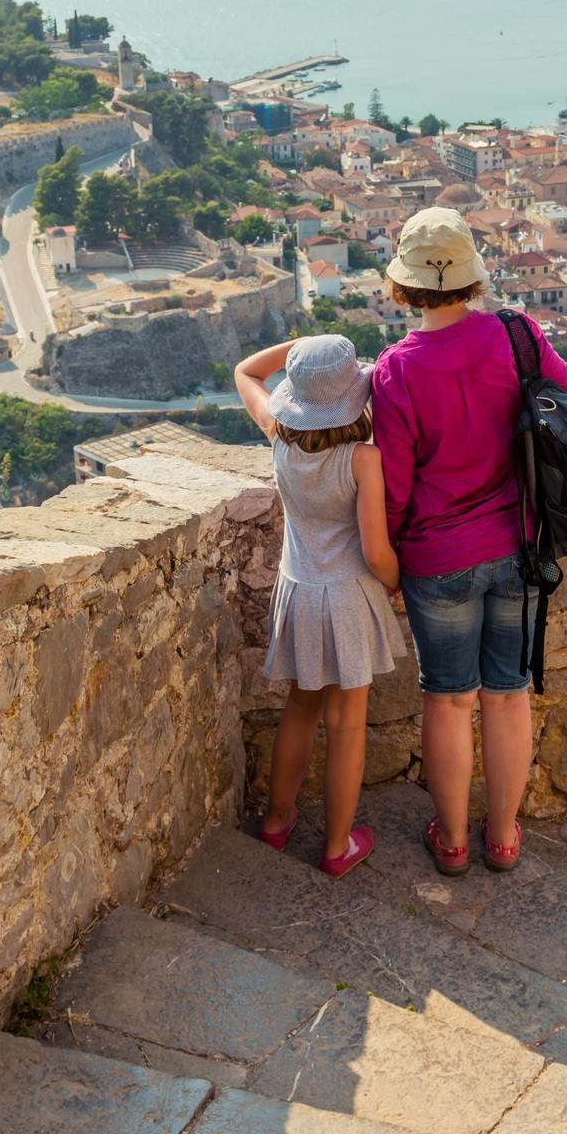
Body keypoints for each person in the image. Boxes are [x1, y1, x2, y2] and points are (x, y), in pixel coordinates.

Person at [369, 207, 567, 875]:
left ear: (404, 287)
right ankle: (502, 836)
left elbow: (396, 488)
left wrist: (396, 557)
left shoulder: (395, 370)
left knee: (449, 697)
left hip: (438, 557)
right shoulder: (515, 335)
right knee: (507, 692)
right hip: (520, 545)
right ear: (470, 277)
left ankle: (455, 842)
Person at [231, 331, 400, 876]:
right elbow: (375, 550)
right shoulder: (362, 460)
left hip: (299, 589)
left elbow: (245, 373)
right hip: (349, 596)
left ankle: (277, 822)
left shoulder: (276, 437)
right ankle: (336, 847)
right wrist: (398, 583)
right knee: (347, 723)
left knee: (300, 709)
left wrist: (296, 349)